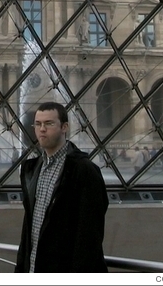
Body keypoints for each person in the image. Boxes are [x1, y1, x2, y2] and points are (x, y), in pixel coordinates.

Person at [15, 102, 108, 273]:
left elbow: (89, 237)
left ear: (64, 127)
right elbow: (29, 229)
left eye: (49, 123)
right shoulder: (32, 168)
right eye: (38, 124)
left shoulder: (85, 170)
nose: (42, 129)